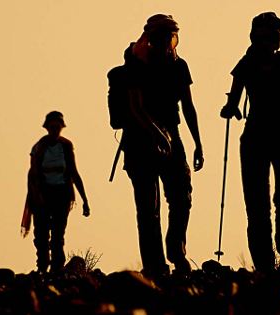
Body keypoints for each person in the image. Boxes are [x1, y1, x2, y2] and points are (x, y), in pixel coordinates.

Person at [106, 14, 204, 278]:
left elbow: (188, 107)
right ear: (150, 37)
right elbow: (136, 107)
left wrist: (198, 143)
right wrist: (157, 134)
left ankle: (176, 251)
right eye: (162, 34)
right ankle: (155, 266)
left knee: (181, 196)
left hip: (172, 135)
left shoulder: (178, 66)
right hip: (139, 141)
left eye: (169, 34)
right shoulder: (136, 66)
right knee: (148, 208)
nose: (166, 40)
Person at [220, 12, 280, 273]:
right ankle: (279, 257)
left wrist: (229, 109)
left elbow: (233, 103)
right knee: (276, 199)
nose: (271, 40)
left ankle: (276, 257)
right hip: (279, 138)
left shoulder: (249, 63)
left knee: (269, 201)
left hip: (263, 137)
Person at [21, 111, 91, 273]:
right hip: (42, 195)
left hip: (62, 195)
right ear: (47, 128)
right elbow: (34, 174)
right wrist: (37, 195)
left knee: (58, 234)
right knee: (41, 235)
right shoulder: (38, 148)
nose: (54, 130)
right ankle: (42, 266)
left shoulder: (66, 147)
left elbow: (73, 172)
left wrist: (85, 200)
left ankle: (57, 268)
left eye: (57, 127)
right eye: (52, 127)